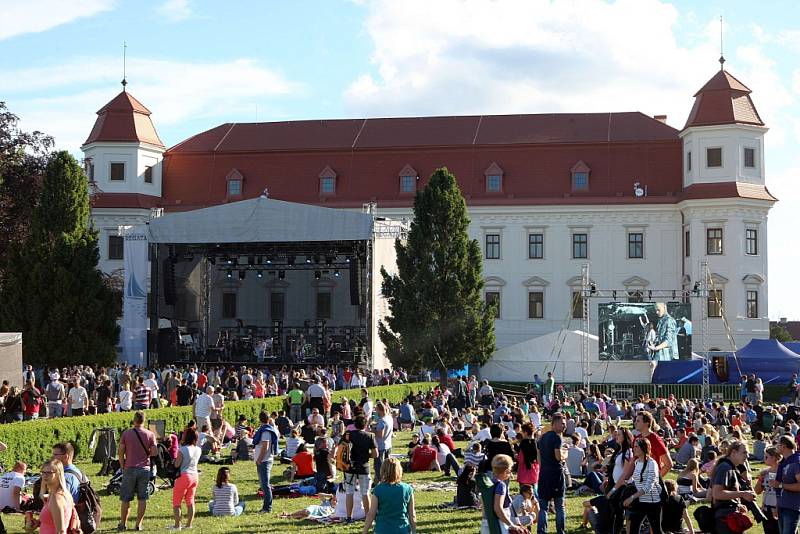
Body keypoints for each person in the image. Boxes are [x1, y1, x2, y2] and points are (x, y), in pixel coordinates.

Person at [118, 410, 158, 531]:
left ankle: (123, 524)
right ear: (144, 420)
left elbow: (121, 451)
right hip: (144, 469)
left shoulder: (126, 434)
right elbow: (155, 452)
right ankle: (138, 524)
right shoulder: (150, 434)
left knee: (126, 498)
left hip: (129, 467)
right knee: (142, 498)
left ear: (134, 420)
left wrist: (122, 464)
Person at [362, 457, 416, 534]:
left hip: (382, 530)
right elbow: (412, 514)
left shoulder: (378, 490)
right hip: (402, 529)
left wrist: (365, 531)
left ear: (383, 471)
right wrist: (414, 531)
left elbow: (371, 514)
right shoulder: (407, 489)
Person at [713, 440, 756, 534]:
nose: (747, 456)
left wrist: (737, 504)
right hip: (725, 520)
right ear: (733, 452)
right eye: (744, 452)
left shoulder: (730, 467)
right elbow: (717, 494)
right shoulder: (725, 467)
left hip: (730, 516)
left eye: (747, 453)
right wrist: (743, 494)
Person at [623, 437, 663, 534]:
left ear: (643, 448)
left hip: (652, 503)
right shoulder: (637, 462)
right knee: (633, 529)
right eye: (634, 446)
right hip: (639, 502)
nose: (634, 449)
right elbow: (637, 481)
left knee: (656, 530)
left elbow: (648, 487)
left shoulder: (652, 463)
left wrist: (631, 498)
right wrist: (627, 484)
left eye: (636, 446)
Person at [481, 454, 527, 534]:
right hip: (499, 524)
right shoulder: (501, 485)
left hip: (486, 522)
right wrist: (511, 524)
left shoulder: (488, 483)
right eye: (510, 471)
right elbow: (498, 508)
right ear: (506, 471)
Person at [537, 413, 567, 534]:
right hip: (556, 474)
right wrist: (565, 455)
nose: (564, 426)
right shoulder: (557, 438)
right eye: (562, 423)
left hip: (544, 473)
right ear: (554, 423)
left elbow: (538, 455)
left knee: (543, 506)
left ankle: (541, 531)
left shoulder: (542, 437)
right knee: (559, 505)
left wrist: (543, 466)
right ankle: (561, 531)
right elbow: (558, 456)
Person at [345, 415, 377, 524]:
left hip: (350, 467)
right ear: (365, 424)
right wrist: (366, 455)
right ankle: (368, 517)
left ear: (354, 424)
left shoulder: (348, 435)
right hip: (364, 467)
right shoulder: (370, 436)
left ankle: (349, 517)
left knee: (349, 493)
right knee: (365, 493)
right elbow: (375, 454)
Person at [170, 427, 201, 530]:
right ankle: (189, 524)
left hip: (184, 475)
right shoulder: (198, 449)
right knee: (190, 500)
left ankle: (177, 525)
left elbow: (177, 464)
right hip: (195, 476)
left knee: (177, 502)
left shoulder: (183, 450)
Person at [771, 434, 800, 534]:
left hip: (792, 507)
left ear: (783, 446)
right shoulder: (783, 462)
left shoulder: (796, 462)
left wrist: (780, 485)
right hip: (783, 506)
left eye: (778, 444)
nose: (776, 447)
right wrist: (777, 506)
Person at [253, 411, 279, 513]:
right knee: (263, 484)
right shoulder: (266, 429)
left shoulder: (265, 431)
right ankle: (266, 506)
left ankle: (267, 508)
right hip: (263, 459)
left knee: (265, 485)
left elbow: (265, 446)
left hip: (264, 460)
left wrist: (259, 459)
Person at [39, 459, 74, 534]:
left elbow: (61, 531)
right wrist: (38, 523)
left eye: (49, 473)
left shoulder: (57, 498)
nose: (45, 475)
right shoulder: (63, 493)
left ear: (58, 474)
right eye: (43, 472)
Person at [635, 411, 672, 477]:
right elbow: (633, 461)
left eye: (638, 421)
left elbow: (668, 464)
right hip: (639, 479)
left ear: (646, 423)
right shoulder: (637, 438)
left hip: (651, 479)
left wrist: (655, 480)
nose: (635, 423)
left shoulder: (655, 439)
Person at [755, 446, 780, 534]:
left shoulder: (782, 472)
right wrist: (760, 479)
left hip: (778, 509)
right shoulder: (765, 472)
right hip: (766, 509)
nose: (764, 459)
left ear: (774, 458)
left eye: (766, 457)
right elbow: (757, 491)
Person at [374, 402, 394, 476]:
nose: (376, 412)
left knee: (379, 467)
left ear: (380, 410)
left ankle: (380, 481)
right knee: (387, 466)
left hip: (381, 446)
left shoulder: (382, 421)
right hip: (388, 444)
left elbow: (380, 435)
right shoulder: (389, 418)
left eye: (376, 410)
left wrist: (373, 430)